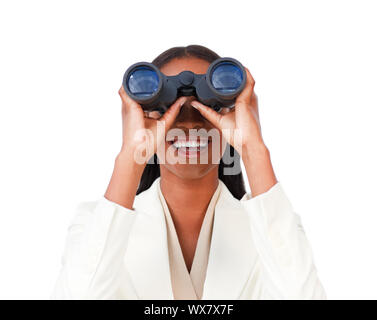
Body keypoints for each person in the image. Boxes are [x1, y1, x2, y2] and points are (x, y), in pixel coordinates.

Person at [51, 45, 326, 300]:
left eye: (210, 105)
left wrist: (253, 150)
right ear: (143, 113)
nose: (189, 121)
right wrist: (130, 156)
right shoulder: (94, 224)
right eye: (167, 107)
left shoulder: (274, 229)